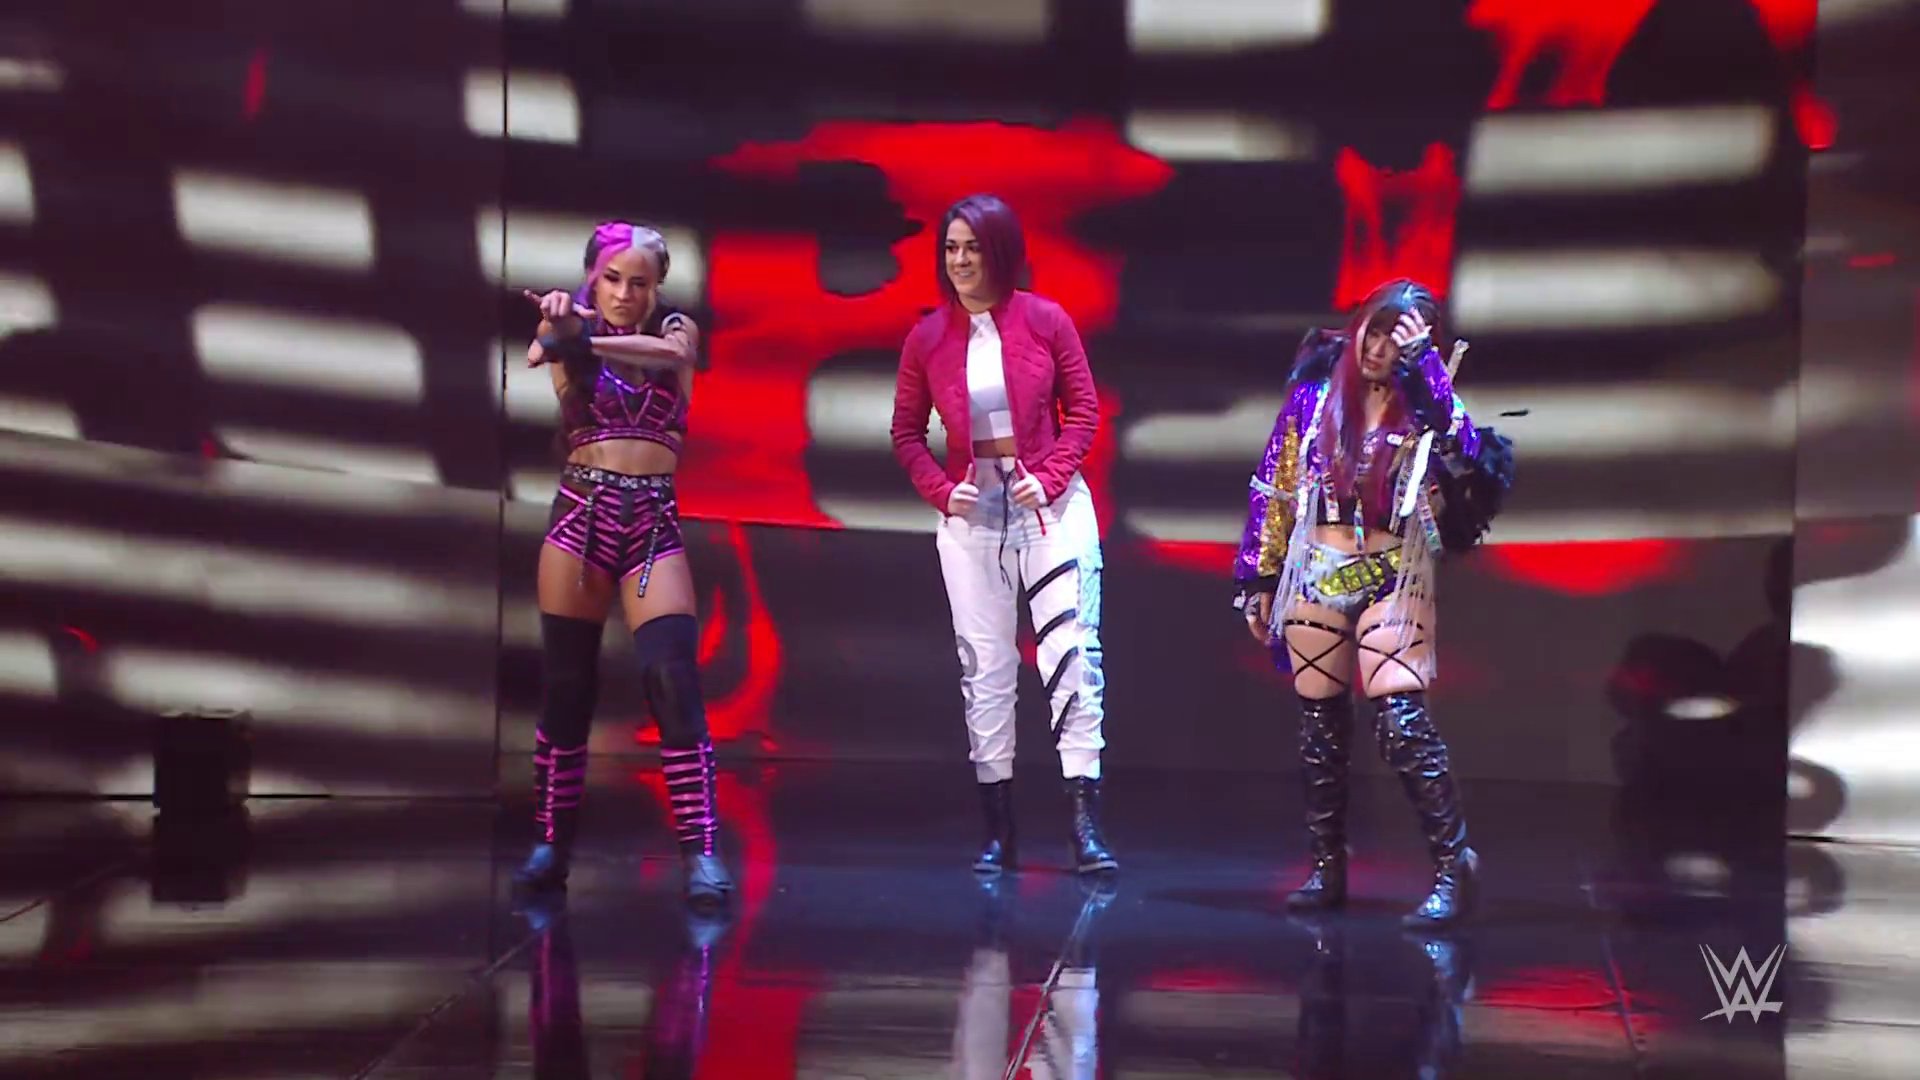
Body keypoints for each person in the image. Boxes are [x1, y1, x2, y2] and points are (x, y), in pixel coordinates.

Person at [1233, 279, 1514, 928]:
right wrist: (1258, 577)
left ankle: (1454, 866)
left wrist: (1429, 376)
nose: (1379, 347)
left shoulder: (1429, 409)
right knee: (1320, 730)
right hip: (1316, 569)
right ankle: (1327, 865)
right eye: (1375, 330)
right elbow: (1275, 488)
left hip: (1393, 572)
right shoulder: (1313, 401)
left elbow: (1471, 458)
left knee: (1401, 723)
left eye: (1398, 339)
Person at [890, 193, 1116, 876]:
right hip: (973, 523)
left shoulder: (1046, 321)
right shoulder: (928, 337)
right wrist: (941, 491)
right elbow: (906, 433)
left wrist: (1048, 476)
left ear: (1001, 252)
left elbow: (1084, 411)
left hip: (1052, 511)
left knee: (1071, 656)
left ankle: (1085, 828)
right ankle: (999, 832)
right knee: (985, 668)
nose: (960, 261)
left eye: (972, 248)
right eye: (951, 249)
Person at [513, 220, 733, 911]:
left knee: (672, 679)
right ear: (594, 277)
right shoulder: (567, 327)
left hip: (652, 521)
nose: (624, 293)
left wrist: (585, 336)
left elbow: (671, 356)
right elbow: (543, 343)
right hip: (582, 516)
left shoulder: (675, 332)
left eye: (639, 282)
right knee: (568, 686)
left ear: (657, 287)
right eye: (611, 279)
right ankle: (550, 845)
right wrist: (561, 325)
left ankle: (701, 853)